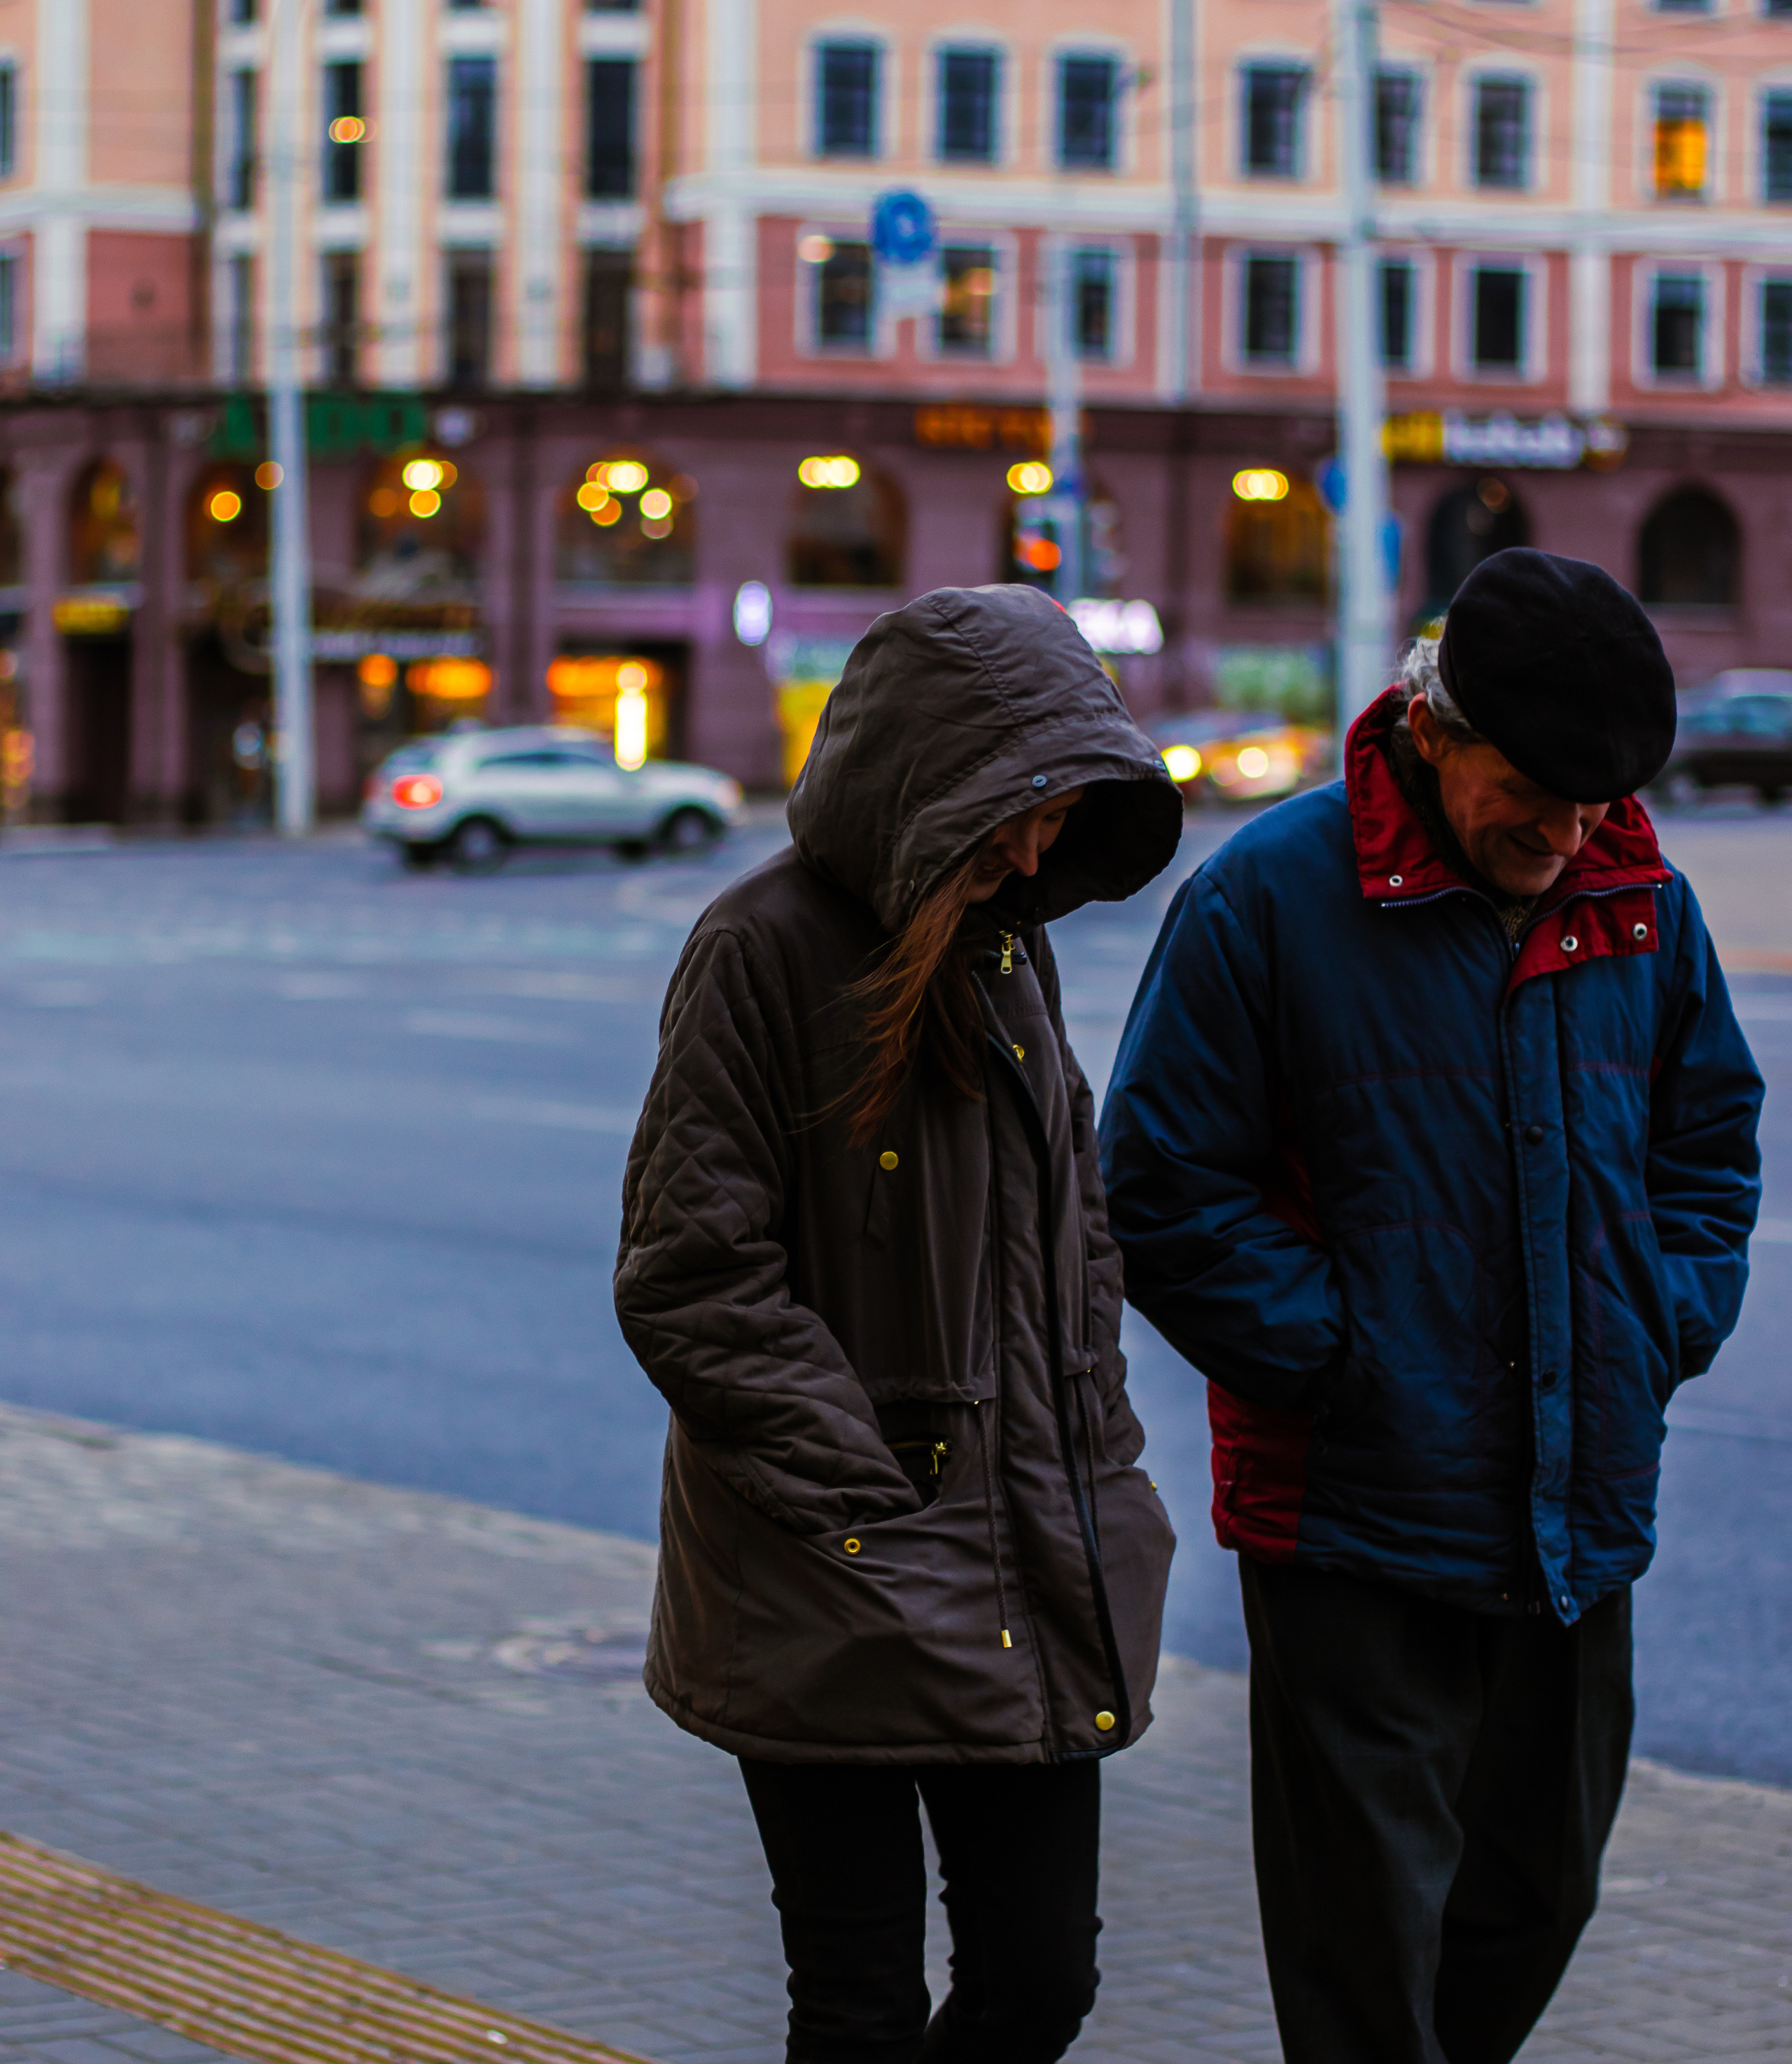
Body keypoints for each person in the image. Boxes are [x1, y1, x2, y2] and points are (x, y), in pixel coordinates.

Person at [1098, 548, 1763, 2064]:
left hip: (1571, 1505)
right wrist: (1344, 1363)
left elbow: (1706, 1143)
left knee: (1535, 1894)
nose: (1569, 828)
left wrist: (1659, 1317)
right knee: (1362, 1950)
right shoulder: (1266, 896)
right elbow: (1160, 1187)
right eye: (1535, 787)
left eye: (1598, 799)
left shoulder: (1639, 901)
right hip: (1353, 1517)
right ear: (1434, 726)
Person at [615, 583, 1183, 2064]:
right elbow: (690, 1268)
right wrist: (870, 1490)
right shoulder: (759, 949)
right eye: (1013, 805)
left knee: (1040, 1977)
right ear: (920, 777)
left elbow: (1072, 1220)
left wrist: (1094, 1431)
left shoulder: (1005, 943)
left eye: (1059, 811)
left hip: (1023, 1547)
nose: (1032, 847)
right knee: (857, 2005)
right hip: (832, 1568)